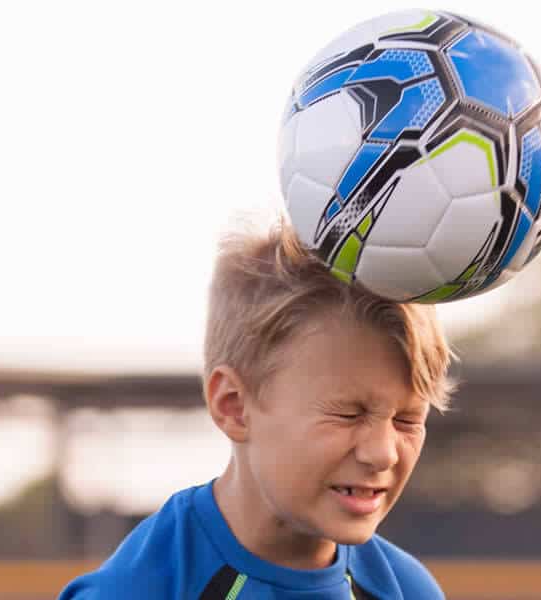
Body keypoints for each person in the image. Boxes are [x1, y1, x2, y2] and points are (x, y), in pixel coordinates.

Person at [58, 217, 455, 599]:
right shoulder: (137, 590)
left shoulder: (406, 590)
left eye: (408, 420)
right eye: (348, 414)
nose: (382, 452)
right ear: (233, 406)